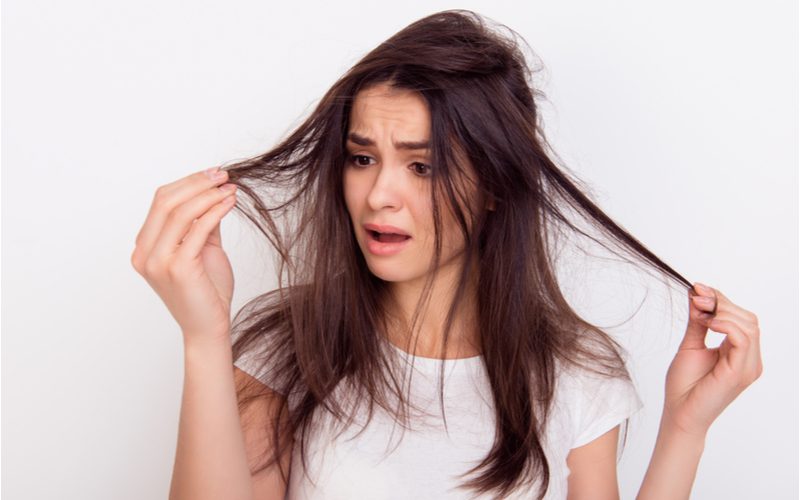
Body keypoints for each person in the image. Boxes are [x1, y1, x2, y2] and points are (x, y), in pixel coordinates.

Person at [131, 10, 763, 500]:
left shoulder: (575, 374)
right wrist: (203, 338)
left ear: (493, 186)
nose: (380, 194)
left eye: (422, 165)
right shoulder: (291, 347)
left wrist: (685, 428)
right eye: (362, 158)